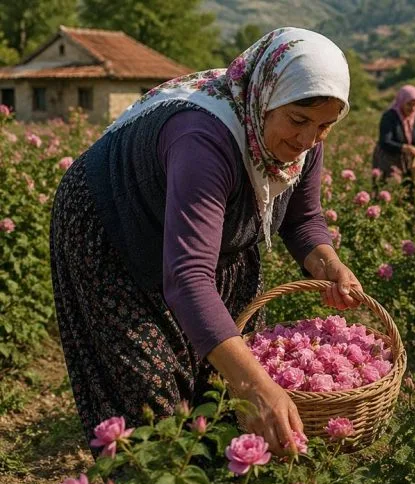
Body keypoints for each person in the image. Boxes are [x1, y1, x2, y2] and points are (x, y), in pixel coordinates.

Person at [50, 28, 362, 457]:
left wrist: (326, 261)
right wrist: (255, 386)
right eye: (299, 121)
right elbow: (187, 277)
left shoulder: (300, 137)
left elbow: (302, 219)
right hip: (114, 224)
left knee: (217, 382)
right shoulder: (203, 139)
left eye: (325, 126)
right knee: (152, 389)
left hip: (195, 238)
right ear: (264, 98)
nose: (308, 140)